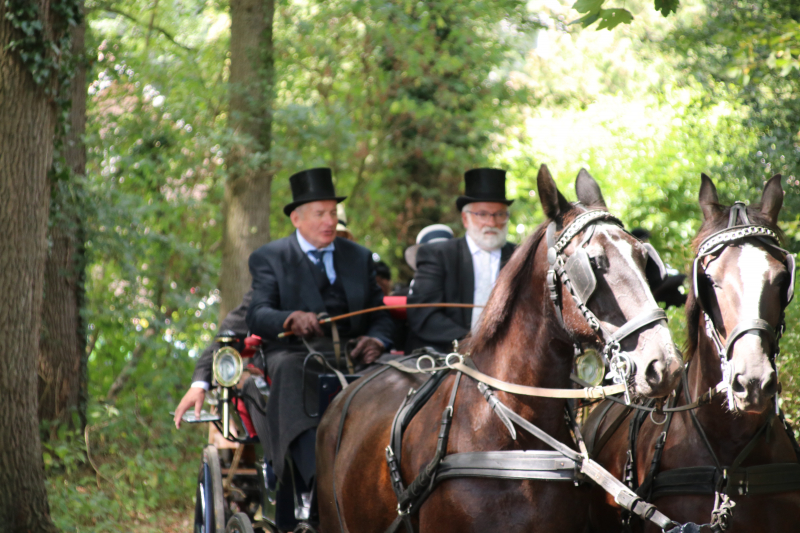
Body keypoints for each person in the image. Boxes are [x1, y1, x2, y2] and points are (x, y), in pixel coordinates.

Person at [246, 167, 393, 530]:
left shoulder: (359, 257)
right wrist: (289, 318)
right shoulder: (270, 257)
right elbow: (257, 314)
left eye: (332, 213)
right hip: (297, 355)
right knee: (289, 372)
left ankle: (390, 473)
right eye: (320, 214)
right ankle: (317, 483)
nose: (329, 221)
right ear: (296, 218)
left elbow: (382, 316)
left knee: (398, 375)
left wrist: (377, 340)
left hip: (354, 355)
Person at [406, 168, 516, 353]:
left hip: (506, 356)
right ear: (465, 218)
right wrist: (473, 345)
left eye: (499, 214)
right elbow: (423, 314)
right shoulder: (437, 255)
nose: (491, 223)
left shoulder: (519, 257)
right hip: (445, 356)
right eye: (482, 214)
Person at [631, 227, 687, 309]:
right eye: (645, 239)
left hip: (657, 286)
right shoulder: (638, 252)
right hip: (652, 289)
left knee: (678, 295)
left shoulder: (644, 252)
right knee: (683, 278)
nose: (647, 241)